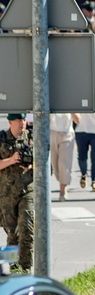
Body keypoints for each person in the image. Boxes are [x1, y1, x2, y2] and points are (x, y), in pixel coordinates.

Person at [0, 114, 34, 273]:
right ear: (10, 122)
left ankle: (26, 268)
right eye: (19, 120)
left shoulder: (33, 138)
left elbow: (45, 161)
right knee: (12, 234)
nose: (22, 124)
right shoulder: (2, 139)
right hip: (6, 194)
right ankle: (11, 268)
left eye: (24, 120)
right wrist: (11, 160)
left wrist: (31, 165)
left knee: (27, 228)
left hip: (27, 190)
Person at [73, 93, 95, 192]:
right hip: (81, 131)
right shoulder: (78, 97)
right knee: (82, 156)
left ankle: (94, 181)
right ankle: (83, 174)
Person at [49, 113, 75, 202]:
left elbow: (78, 119)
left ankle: (62, 190)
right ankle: (62, 182)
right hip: (52, 132)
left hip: (67, 134)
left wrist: (72, 111)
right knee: (55, 166)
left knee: (64, 164)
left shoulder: (70, 101)